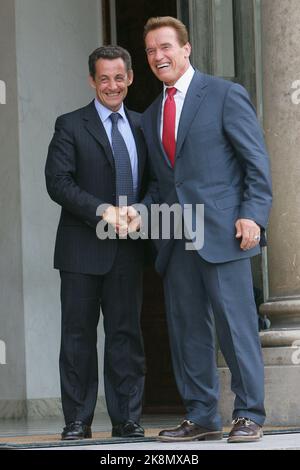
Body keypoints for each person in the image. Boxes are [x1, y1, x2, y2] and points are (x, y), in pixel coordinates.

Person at [141, 17, 272, 443]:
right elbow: (162, 185)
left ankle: (249, 413)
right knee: (188, 331)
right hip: (177, 238)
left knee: (236, 327)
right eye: (150, 51)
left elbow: (255, 162)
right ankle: (201, 416)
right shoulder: (150, 115)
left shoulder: (223, 94)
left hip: (224, 232)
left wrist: (253, 213)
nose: (158, 56)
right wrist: (136, 214)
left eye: (165, 47)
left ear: (186, 48)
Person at [45, 45, 147, 440]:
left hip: (128, 249)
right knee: (77, 339)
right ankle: (77, 421)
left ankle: (127, 419)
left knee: (126, 337)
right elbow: (58, 182)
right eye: (103, 78)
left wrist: (143, 211)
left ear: (130, 78)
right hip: (80, 250)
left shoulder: (142, 125)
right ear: (92, 80)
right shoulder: (70, 125)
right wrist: (103, 210)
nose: (112, 85)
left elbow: (156, 182)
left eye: (119, 77)